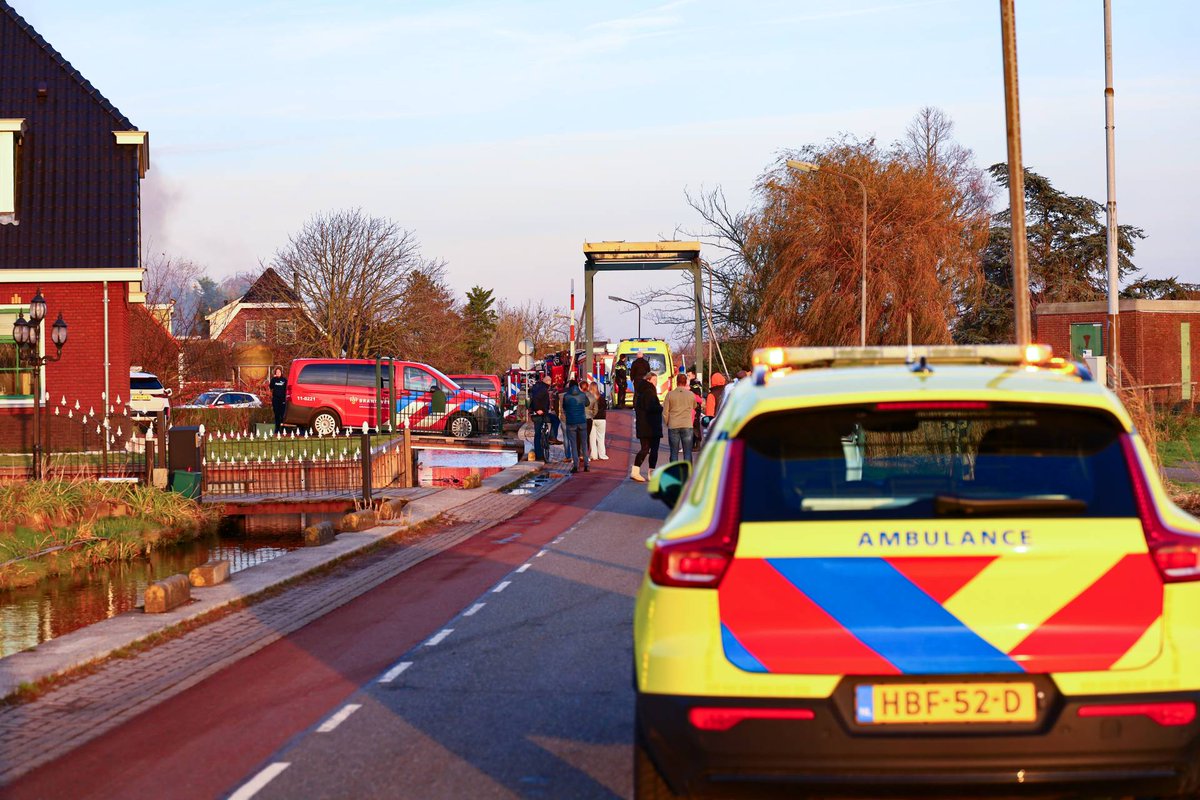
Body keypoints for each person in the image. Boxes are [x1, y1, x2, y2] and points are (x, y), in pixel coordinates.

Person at [631, 372, 663, 482]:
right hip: (652, 426)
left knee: (644, 449)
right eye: (655, 380)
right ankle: (651, 473)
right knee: (653, 450)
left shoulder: (641, 391)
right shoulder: (650, 392)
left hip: (643, 425)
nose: (656, 382)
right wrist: (660, 408)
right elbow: (652, 408)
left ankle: (635, 471)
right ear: (649, 380)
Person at [663, 373, 699, 463]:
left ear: (677, 382)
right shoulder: (690, 394)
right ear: (686, 382)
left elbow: (665, 412)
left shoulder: (670, 395)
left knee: (674, 452)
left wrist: (667, 422)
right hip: (687, 424)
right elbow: (694, 406)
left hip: (673, 424)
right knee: (687, 452)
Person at [561, 379, 590, 473]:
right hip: (582, 421)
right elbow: (587, 403)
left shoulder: (566, 396)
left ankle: (576, 466)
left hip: (571, 422)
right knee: (584, 443)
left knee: (573, 444)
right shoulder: (582, 395)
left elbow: (564, 407)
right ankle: (586, 465)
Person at [529, 373, 552, 461]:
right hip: (539, 413)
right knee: (538, 433)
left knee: (537, 434)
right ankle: (540, 453)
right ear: (548, 382)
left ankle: (539, 454)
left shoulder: (538, 387)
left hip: (537, 413)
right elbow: (536, 399)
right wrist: (538, 409)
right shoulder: (543, 389)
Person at [588, 381, 608, 460]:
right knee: (601, 437)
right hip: (601, 419)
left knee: (592, 438)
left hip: (592, 419)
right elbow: (604, 407)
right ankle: (602, 455)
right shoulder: (601, 397)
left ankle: (594, 455)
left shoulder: (589, 398)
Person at [269, 367, 288, 434]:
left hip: (282, 399)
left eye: (279, 372)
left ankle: (283, 429)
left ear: (281, 372)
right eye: (276, 372)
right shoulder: (274, 379)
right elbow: (271, 387)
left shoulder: (284, 380)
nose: (278, 373)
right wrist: (273, 379)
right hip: (275, 399)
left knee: (282, 414)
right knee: (276, 414)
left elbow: (287, 389)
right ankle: (277, 429)